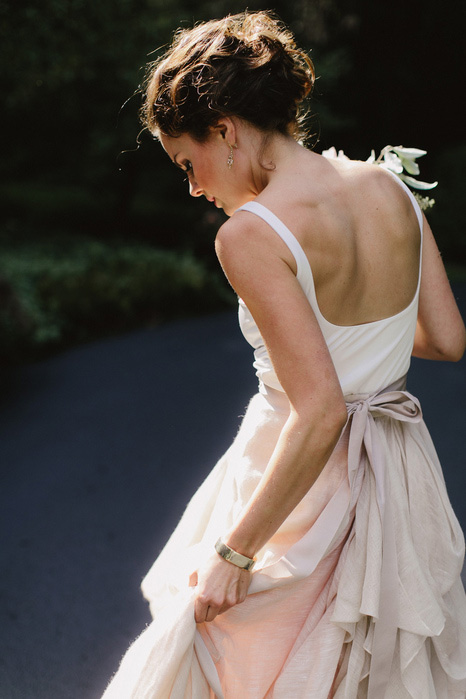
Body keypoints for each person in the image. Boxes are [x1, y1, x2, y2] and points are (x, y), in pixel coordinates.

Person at [103, 11, 466, 698]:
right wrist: (364, 345)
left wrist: (234, 553)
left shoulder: (251, 236)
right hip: (397, 476)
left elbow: (321, 408)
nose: (193, 186)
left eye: (188, 162)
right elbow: (446, 339)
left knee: (232, 660)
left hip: (303, 489)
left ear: (227, 130)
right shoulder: (392, 189)